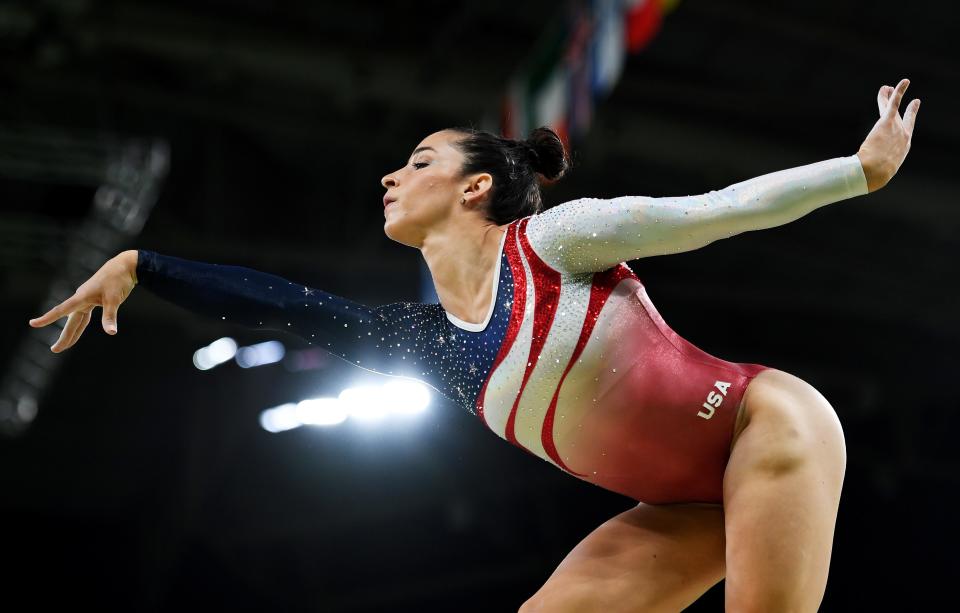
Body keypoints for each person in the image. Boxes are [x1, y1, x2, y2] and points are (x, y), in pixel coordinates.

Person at [28, 79, 919, 612]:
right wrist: (144, 263)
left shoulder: (557, 243)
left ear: (476, 186)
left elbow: (716, 212)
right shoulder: (426, 346)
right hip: (683, 504)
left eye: (418, 161)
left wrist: (861, 172)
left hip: (761, 428)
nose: (390, 173)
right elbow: (285, 306)